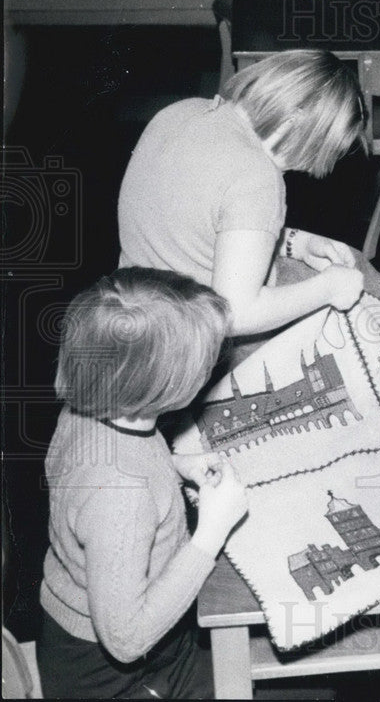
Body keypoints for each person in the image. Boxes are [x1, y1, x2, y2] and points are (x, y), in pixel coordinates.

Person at [35, 267, 249, 698]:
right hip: (109, 672)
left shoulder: (91, 407)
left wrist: (175, 465)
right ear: (164, 385)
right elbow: (126, 640)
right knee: (240, 672)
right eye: (204, 363)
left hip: (91, 627)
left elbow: (104, 470)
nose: (211, 368)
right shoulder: (123, 496)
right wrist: (211, 532)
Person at [118, 49, 380, 342]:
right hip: (185, 340)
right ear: (295, 121)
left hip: (129, 308)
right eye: (320, 148)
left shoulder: (182, 111)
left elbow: (205, 222)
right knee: (363, 280)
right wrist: (328, 289)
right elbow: (235, 314)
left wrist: (298, 243)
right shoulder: (258, 177)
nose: (312, 167)